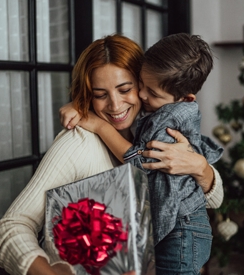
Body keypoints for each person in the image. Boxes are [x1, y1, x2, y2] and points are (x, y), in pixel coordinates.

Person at [0, 34, 224, 275]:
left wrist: (199, 166)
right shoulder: (78, 143)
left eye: (126, 89)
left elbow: (215, 198)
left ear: (142, 83)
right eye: (100, 95)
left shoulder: (149, 130)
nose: (115, 105)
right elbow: (10, 228)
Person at [66, 33, 223, 275]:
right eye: (140, 84)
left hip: (182, 229)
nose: (141, 95)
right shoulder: (157, 110)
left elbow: (140, 161)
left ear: (185, 99)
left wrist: (99, 125)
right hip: (178, 229)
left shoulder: (169, 122)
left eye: (151, 92)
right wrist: (79, 106)